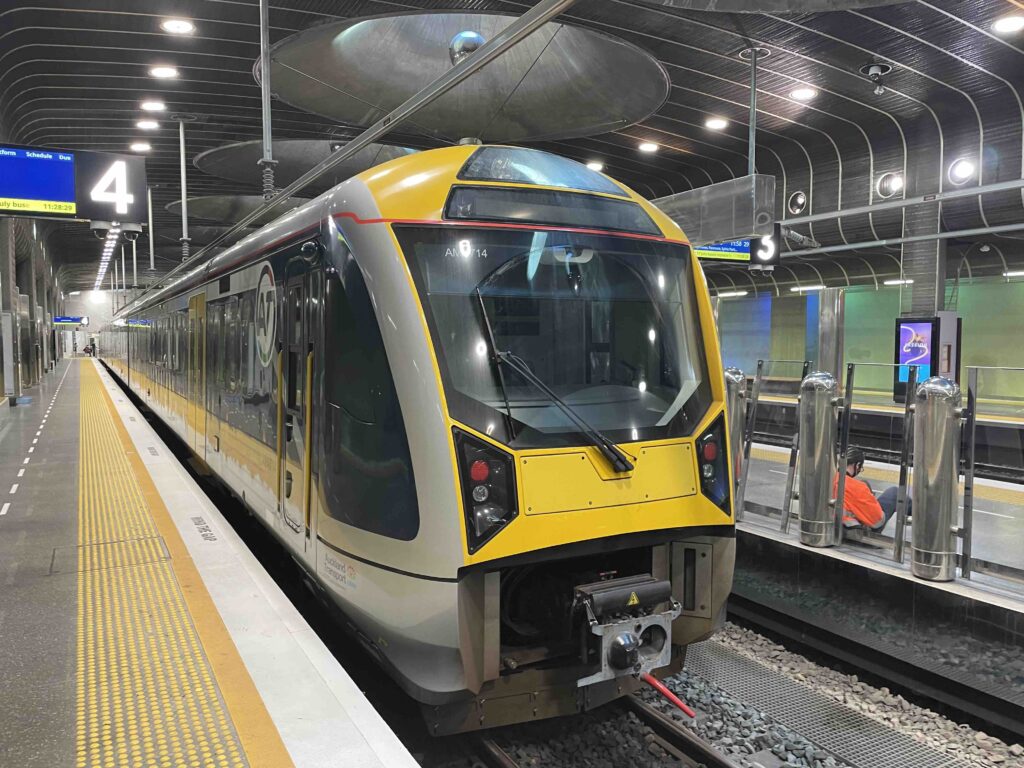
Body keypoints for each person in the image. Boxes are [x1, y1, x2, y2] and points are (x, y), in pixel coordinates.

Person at [832, 447, 909, 531]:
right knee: (894, 492)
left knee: (865, 482)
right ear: (857, 465)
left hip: (838, 525)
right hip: (857, 530)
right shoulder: (858, 487)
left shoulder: (830, 479)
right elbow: (878, 522)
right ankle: (918, 516)